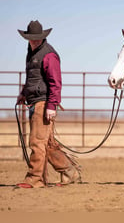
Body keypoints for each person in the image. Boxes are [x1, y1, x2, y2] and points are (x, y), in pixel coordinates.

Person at [16, 20, 81, 188]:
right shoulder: (31, 53)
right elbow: (32, 78)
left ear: (42, 37)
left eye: (37, 38)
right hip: (35, 101)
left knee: (37, 142)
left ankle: (35, 179)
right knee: (48, 144)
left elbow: (55, 83)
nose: (35, 41)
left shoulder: (48, 55)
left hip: (43, 102)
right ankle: (69, 172)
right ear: (27, 38)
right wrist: (24, 93)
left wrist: (51, 106)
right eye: (32, 38)